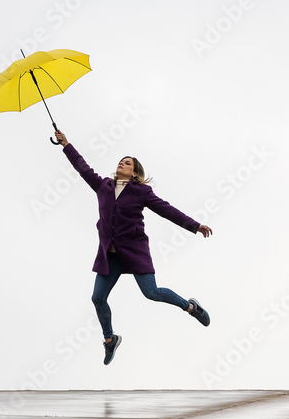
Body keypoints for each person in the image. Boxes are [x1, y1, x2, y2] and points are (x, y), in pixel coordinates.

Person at [54, 130, 212, 365]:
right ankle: (110, 340)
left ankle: (191, 307)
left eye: (127, 163)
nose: (122, 163)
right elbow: (82, 167)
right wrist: (66, 144)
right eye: (120, 161)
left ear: (135, 173)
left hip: (135, 252)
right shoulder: (103, 186)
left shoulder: (142, 192)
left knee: (152, 293)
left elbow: (167, 210)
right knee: (97, 298)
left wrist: (195, 225)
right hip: (111, 255)